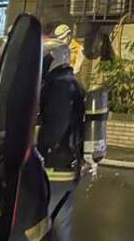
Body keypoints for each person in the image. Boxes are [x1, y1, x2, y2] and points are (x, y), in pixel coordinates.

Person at [38, 38, 87, 241]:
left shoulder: (59, 86)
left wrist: (36, 148)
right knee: (61, 222)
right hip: (68, 164)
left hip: (55, 167)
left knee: (42, 224)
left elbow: (55, 127)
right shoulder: (72, 83)